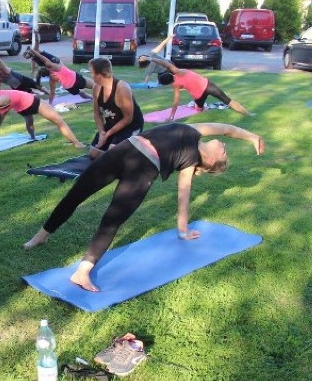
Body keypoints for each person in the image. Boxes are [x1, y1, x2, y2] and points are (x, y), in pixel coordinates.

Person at [23, 122, 265, 291]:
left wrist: (183, 228)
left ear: (212, 161)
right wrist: (252, 137)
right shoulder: (195, 131)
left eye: (224, 151)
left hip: (143, 170)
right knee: (75, 194)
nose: (224, 145)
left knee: (112, 220)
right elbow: (227, 129)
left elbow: (183, 194)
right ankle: (41, 235)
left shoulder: (189, 161)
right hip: (124, 150)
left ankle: (82, 271)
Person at [139, 53, 252, 120]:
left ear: (167, 83)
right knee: (227, 100)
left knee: (199, 109)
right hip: (208, 85)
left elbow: (176, 102)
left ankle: (207, 106)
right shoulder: (178, 72)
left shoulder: (176, 84)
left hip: (199, 95)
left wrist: (172, 116)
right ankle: (248, 114)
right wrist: (150, 58)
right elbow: (164, 63)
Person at [0, 89, 85, 153]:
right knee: (59, 121)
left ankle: (33, 137)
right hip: (32, 103)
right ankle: (77, 143)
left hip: (22, 107)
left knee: (29, 121)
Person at [87, 57, 144, 159]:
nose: (90, 75)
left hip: (130, 125)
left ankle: (135, 150)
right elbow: (96, 113)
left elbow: (128, 119)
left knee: (112, 154)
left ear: (99, 75)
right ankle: (119, 153)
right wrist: (102, 133)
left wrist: (108, 134)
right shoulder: (96, 87)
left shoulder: (122, 88)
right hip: (111, 124)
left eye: (91, 73)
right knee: (93, 154)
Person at [23, 48, 93, 105]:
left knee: (81, 93)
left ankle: (91, 98)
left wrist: (50, 104)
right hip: (76, 79)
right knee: (94, 85)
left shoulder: (51, 79)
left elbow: (52, 93)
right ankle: (98, 95)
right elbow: (41, 57)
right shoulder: (53, 66)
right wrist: (31, 50)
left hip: (69, 87)